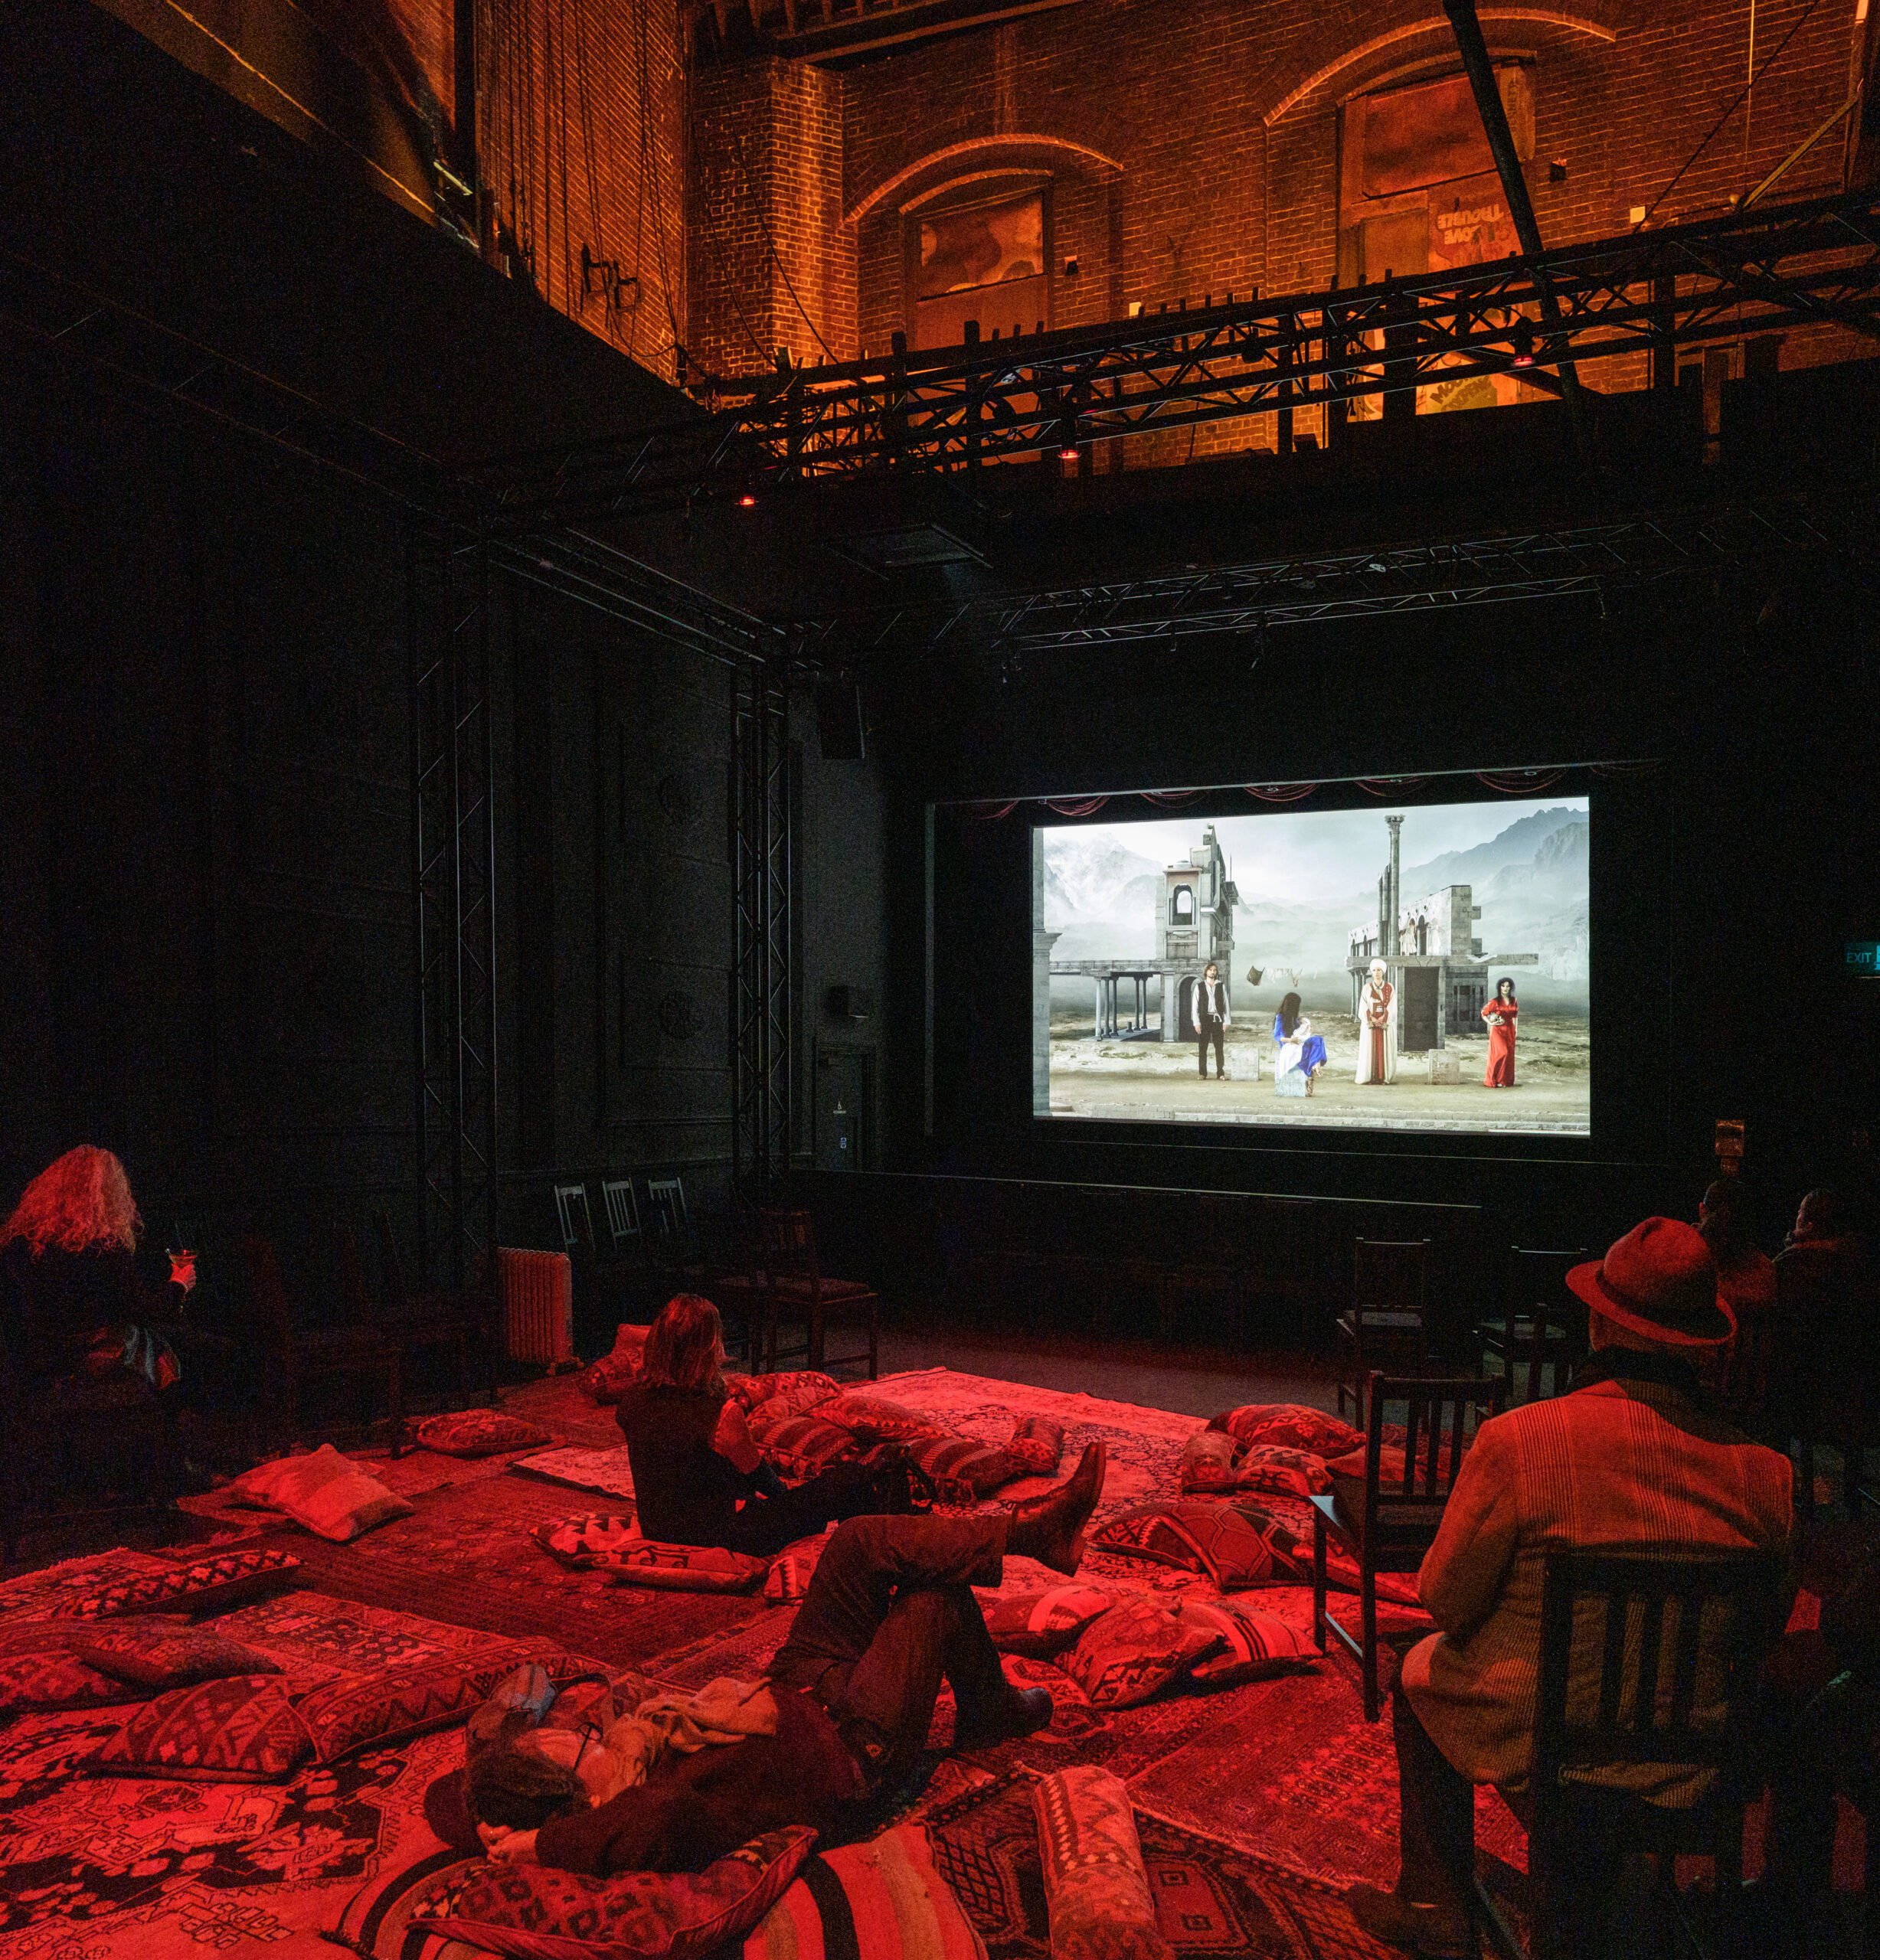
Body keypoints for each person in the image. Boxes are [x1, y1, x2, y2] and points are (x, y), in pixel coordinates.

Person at [1345, 1217, 1794, 1958]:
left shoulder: (1519, 1441)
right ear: (1699, 1342)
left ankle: (1434, 1902)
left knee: (1416, 1669)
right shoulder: (1767, 1475)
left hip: (1545, 1749)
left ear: (1599, 1323)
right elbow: (1763, 1630)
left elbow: (1443, 1599)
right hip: (1696, 1759)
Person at [473, 1442, 1109, 1875]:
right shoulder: (636, 1809)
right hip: (850, 1746)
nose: (571, 1730)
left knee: (857, 1539)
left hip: (795, 1680)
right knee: (932, 1600)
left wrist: (497, 1814)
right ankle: (991, 1708)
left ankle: (1027, 1534)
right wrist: (539, 1845)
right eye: (563, 1747)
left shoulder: (626, 1749)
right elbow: (662, 1817)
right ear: (567, 1794)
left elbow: (450, 1794)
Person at [614, 1293, 917, 1559]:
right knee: (853, 1478)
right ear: (708, 1349)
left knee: (809, 1501)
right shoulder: (719, 1413)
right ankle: (881, 1556)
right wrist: (796, 1504)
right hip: (721, 1535)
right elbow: (761, 1478)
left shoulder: (630, 1401)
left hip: (658, 1527)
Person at [0, 1145, 196, 1387]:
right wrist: (180, 1283)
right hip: (102, 1359)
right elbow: (145, 1312)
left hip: (47, 1360)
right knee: (195, 1351)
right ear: (110, 1194)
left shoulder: (24, 1243)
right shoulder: (104, 1246)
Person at [1696, 1178, 1776, 1408]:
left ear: (1702, 1209)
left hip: (1696, 1398)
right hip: (1750, 1400)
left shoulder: (1689, 1262)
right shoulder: (1767, 1271)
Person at [1272, 991, 1328, 1099]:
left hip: (1298, 1042)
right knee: (1308, 1052)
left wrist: (1308, 1029)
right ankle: (1312, 1071)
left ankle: (1316, 1064)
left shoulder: (1295, 1018)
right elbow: (1277, 1037)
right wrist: (1290, 1040)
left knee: (1318, 1040)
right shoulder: (1280, 1017)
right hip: (1288, 1044)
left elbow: (1299, 1033)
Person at [1355, 958, 1395, 1085]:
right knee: (1370, 1050)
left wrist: (1383, 1019)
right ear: (1371, 972)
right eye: (1374, 970)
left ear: (1383, 972)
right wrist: (1372, 1019)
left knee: (1383, 1050)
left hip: (1384, 1025)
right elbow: (1363, 1006)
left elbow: (1392, 1006)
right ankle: (1370, 1077)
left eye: (1379, 970)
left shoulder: (1390, 988)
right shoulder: (1366, 988)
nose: (1377, 973)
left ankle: (1383, 1077)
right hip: (1371, 1026)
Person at [1195, 962, 1231, 1081]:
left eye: (1214, 970)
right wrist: (1196, 1023)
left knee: (1219, 1047)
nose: (1212, 972)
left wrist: (1226, 1021)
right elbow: (1194, 1006)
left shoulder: (1221, 986)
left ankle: (1220, 1073)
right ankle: (1202, 1073)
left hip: (1217, 1020)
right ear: (1206, 972)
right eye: (1210, 970)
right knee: (1202, 1048)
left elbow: (1226, 1004)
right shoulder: (1199, 987)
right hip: (1204, 1020)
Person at [1480, 978, 1518, 1089]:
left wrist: (1516, 1029)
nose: (1505, 988)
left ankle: (1503, 1080)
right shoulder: (1495, 1001)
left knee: (1509, 1055)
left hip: (1510, 1030)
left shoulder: (1514, 1000)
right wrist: (1490, 1023)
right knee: (1502, 1053)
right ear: (1499, 987)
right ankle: (1494, 1079)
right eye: (1503, 986)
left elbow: (1515, 1016)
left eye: (1508, 986)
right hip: (1497, 1030)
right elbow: (1483, 1013)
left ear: (1510, 988)